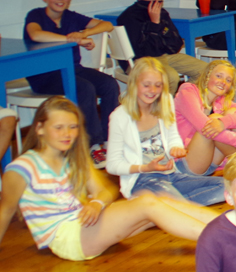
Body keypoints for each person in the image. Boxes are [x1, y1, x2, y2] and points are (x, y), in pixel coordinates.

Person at [0, 97, 216, 259]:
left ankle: (227, 226)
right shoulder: (23, 167)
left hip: (83, 225)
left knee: (160, 199)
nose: (67, 134)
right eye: (59, 128)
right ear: (39, 128)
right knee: (147, 203)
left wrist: (96, 202)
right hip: (66, 238)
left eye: (73, 127)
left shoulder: (73, 159)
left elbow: (104, 191)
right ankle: (221, 242)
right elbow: (6, 211)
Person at [24, 0, 118, 167]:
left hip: (73, 69)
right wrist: (71, 40)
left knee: (109, 84)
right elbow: (35, 34)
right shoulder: (36, 15)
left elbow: (107, 25)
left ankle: (110, 140)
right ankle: (92, 146)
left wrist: (84, 33)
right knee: (84, 88)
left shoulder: (71, 17)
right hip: (45, 76)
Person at [106, 58, 226, 205]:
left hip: (171, 174)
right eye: (146, 85)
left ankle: (163, 208)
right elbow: (112, 165)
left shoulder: (165, 101)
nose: (152, 91)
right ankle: (168, 207)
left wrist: (176, 148)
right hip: (142, 179)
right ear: (134, 83)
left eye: (158, 85)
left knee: (226, 186)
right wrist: (145, 168)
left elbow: (172, 136)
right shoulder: (119, 116)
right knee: (177, 203)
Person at [117, 0, 206, 91]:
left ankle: (182, 98)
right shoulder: (130, 17)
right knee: (171, 77)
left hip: (164, 56)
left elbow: (176, 44)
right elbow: (143, 52)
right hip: (139, 62)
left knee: (207, 70)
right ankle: (164, 103)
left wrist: (162, 30)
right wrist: (154, 24)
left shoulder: (162, 13)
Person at [175, 60, 236, 175]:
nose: (223, 82)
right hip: (185, 163)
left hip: (210, 163)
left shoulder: (220, 101)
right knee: (213, 122)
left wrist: (224, 123)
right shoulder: (188, 91)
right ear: (207, 77)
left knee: (231, 113)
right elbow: (204, 127)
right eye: (219, 76)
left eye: (228, 80)